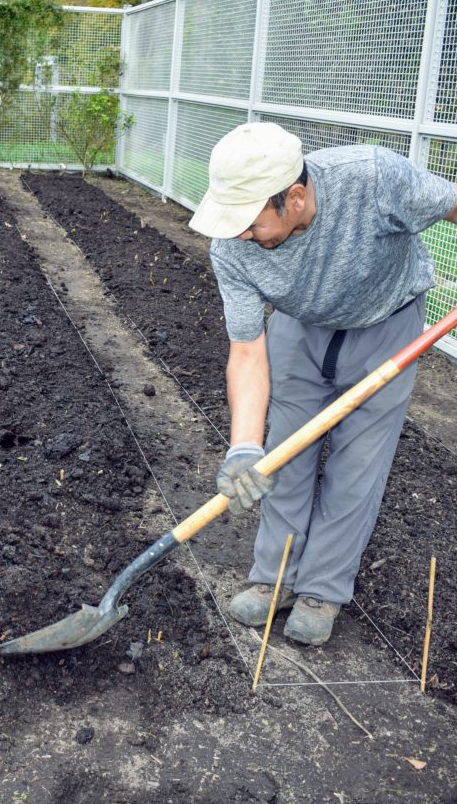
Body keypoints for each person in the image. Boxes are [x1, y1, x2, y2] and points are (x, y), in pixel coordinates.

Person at [188, 121, 457, 646]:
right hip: (299, 329)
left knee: (358, 466)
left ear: (294, 196)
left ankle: (323, 590)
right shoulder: (232, 247)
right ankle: (275, 578)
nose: (241, 233)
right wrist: (244, 447)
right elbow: (246, 352)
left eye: (251, 221)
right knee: (282, 454)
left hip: (386, 323)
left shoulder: (375, 179)